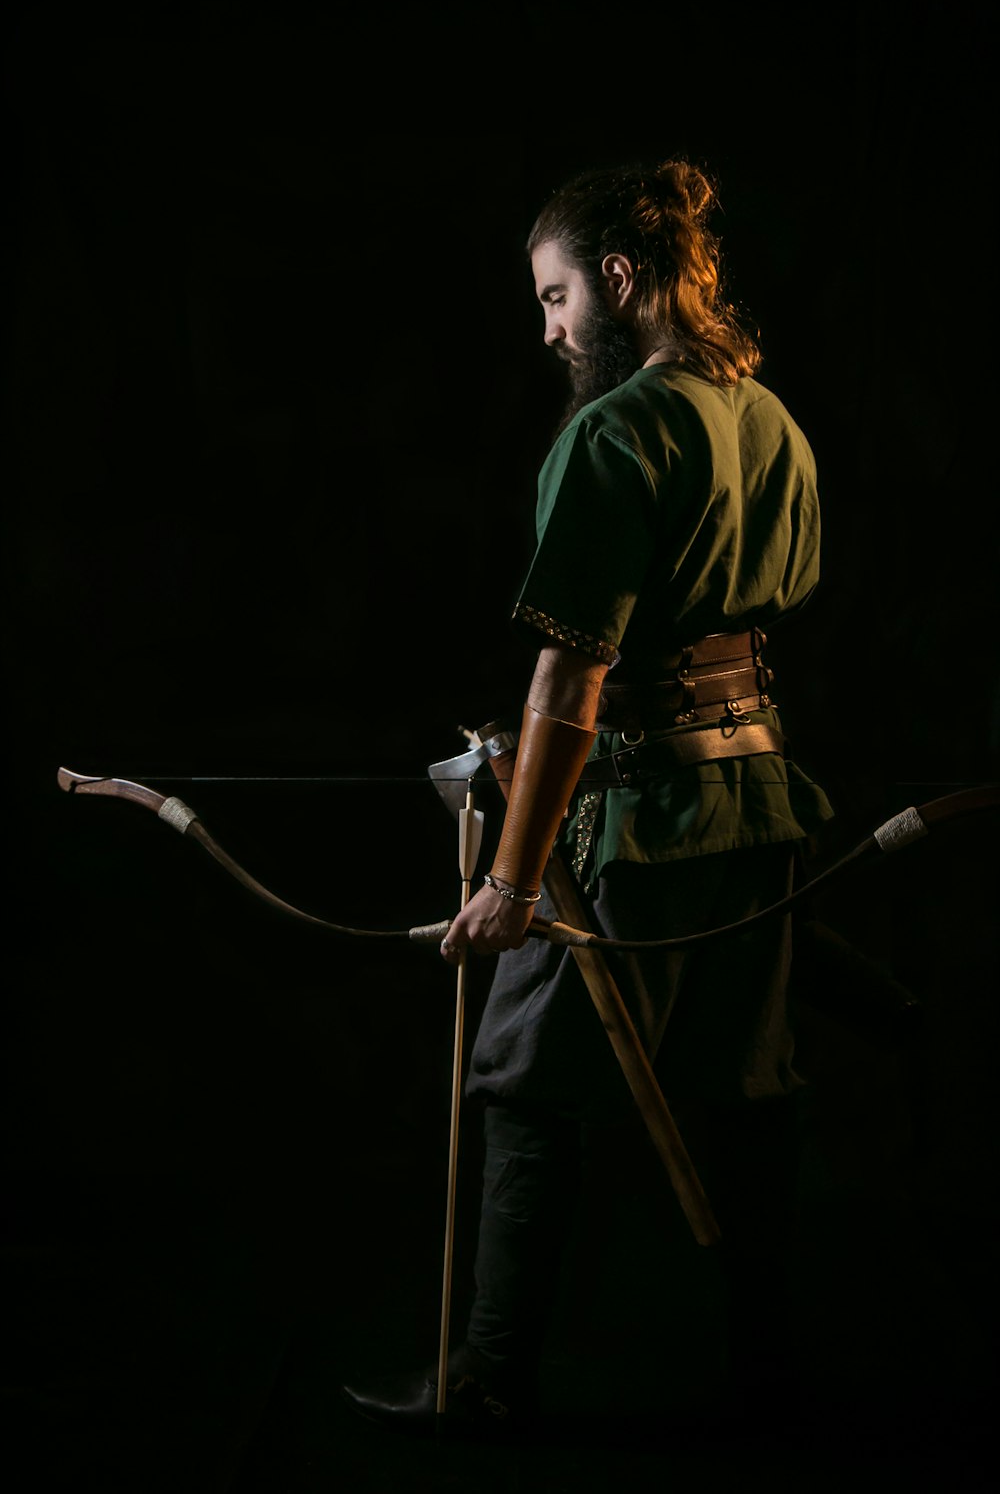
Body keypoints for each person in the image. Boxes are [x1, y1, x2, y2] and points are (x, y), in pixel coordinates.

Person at [342, 157, 834, 1440]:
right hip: (759, 805)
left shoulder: (614, 430)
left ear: (620, 278)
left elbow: (572, 673)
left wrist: (511, 879)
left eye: (558, 295)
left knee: (519, 1081)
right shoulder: (771, 418)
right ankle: (769, 1386)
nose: (550, 328)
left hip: (634, 824)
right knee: (746, 1094)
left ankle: (490, 1385)